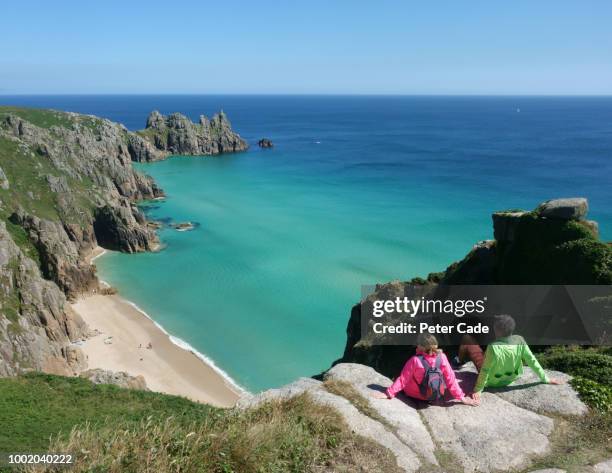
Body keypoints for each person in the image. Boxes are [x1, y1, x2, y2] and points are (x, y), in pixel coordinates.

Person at [458, 314, 563, 403]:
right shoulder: (519, 340)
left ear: (496, 331)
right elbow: (531, 360)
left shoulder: (493, 347)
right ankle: (459, 360)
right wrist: (546, 379)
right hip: (511, 379)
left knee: (467, 338)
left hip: (492, 381)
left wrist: (478, 389)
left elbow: (485, 370)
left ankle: (458, 361)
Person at [373, 333, 479, 406]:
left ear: (420, 346)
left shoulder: (414, 360)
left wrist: (388, 393)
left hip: (415, 394)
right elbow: (450, 379)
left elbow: (402, 380)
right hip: (435, 395)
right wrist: (462, 398)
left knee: (401, 377)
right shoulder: (442, 357)